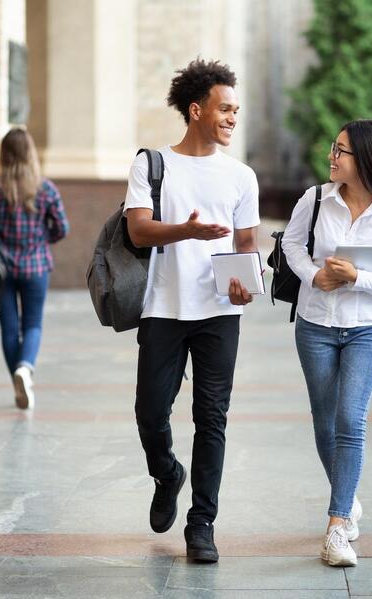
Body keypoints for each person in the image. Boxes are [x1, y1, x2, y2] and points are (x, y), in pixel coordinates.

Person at [124, 59, 259, 563]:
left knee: (212, 418)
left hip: (220, 313)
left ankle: (201, 524)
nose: (231, 118)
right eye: (225, 109)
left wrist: (245, 285)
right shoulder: (152, 164)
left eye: (236, 111)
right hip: (163, 307)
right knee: (150, 411)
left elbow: (246, 241)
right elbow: (138, 230)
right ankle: (167, 473)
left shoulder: (241, 176)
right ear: (196, 109)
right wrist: (186, 230)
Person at [282, 120, 372, 567]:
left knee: (350, 419)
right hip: (315, 323)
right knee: (324, 422)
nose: (331, 157)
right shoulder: (316, 199)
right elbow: (290, 247)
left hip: (367, 329)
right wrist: (314, 274)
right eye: (333, 148)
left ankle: (337, 525)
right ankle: (349, 496)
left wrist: (356, 277)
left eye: (341, 151)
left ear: (367, 158)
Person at [0, 128, 69, 410]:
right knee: (33, 324)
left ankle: (18, 379)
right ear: (30, 153)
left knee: (9, 325)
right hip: (36, 266)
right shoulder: (46, 188)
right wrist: (42, 240)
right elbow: (62, 228)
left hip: (1, 269)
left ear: (3, 154)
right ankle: (25, 369)